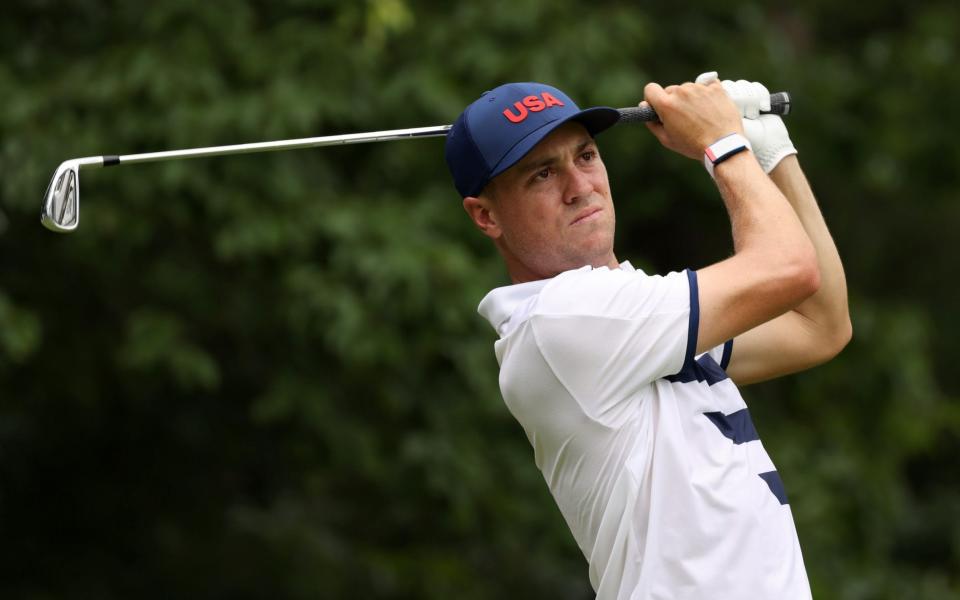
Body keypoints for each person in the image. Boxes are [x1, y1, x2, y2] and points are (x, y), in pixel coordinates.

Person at [444, 73, 851, 599]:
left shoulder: (636, 316)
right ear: (486, 216)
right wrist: (722, 143)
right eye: (542, 174)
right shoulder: (563, 322)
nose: (579, 186)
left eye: (586, 156)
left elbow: (820, 326)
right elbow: (789, 269)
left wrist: (771, 152)